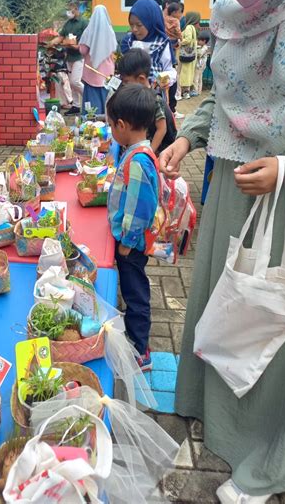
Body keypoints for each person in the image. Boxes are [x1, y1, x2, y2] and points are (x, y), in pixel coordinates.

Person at [160, 0, 285, 502]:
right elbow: (219, 96)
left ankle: (267, 463)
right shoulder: (229, 19)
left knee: (268, 329)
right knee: (223, 315)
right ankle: (218, 421)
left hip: (283, 205)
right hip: (228, 193)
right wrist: (186, 138)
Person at [107, 84, 159, 370]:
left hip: (132, 245)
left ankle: (141, 352)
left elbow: (140, 208)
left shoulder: (137, 160)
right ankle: (138, 341)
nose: (112, 131)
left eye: (112, 125)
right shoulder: (137, 152)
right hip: (132, 242)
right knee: (133, 290)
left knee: (135, 293)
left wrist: (127, 240)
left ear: (123, 125)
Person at [111, 48, 177, 154]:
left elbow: (162, 129)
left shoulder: (154, 99)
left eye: (126, 81)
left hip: (158, 152)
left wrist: (149, 152)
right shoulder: (138, 96)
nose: (124, 84)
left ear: (141, 79)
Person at [120, 0, 178, 116]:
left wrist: (164, 78)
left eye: (139, 25)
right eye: (131, 25)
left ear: (151, 22)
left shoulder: (162, 42)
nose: (135, 29)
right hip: (132, 93)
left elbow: (169, 69)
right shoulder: (129, 41)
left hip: (153, 95)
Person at [50, 0, 88, 115]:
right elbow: (61, 36)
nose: (69, 11)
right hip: (70, 56)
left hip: (79, 56)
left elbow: (87, 39)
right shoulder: (68, 23)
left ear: (76, 9)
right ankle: (76, 105)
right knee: (72, 84)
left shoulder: (83, 23)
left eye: (71, 9)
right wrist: (51, 42)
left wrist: (75, 45)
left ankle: (89, 95)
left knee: (74, 81)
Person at [78, 4, 117, 115]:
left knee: (91, 104)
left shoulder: (88, 31)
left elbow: (83, 51)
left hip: (92, 73)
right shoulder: (110, 31)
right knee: (107, 101)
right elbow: (113, 50)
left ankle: (91, 125)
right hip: (107, 74)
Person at [178, 11, 201, 99]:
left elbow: (187, 39)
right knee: (189, 72)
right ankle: (187, 91)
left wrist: (180, 42)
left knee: (184, 72)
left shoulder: (188, 27)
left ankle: (184, 92)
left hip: (186, 54)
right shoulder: (193, 28)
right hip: (191, 54)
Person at [191, 30, 210, 97]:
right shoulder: (203, 47)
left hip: (200, 65)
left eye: (199, 40)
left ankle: (196, 91)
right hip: (201, 65)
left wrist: (195, 48)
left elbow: (199, 54)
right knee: (199, 78)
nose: (198, 42)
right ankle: (199, 91)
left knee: (196, 78)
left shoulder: (205, 47)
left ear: (204, 41)